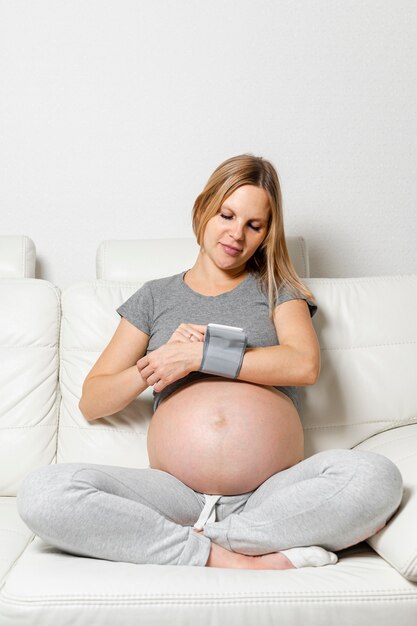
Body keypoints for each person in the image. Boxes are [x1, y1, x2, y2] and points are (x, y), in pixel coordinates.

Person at [17, 154, 403, 570]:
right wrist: (163, 361)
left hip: (269, 495)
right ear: (203, 210)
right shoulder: (155, 297)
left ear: (266, 235)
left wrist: (204, 355)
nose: (236, 234)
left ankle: (202, 543)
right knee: (43, 491)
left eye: (254, 226)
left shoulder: (277, 288)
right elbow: (93, 400)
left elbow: (303, 365)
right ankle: (238, 558)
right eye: (227, 215)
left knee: (377, 477)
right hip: (173, 494)